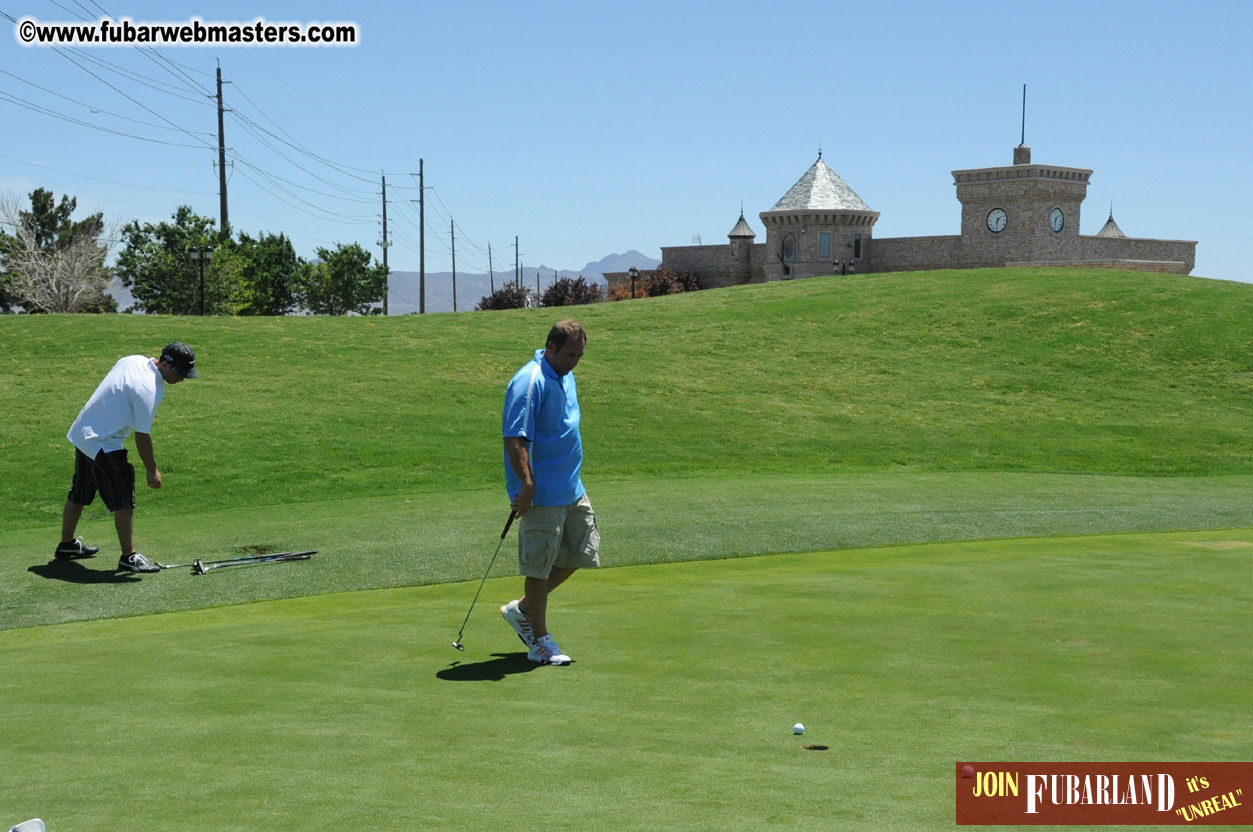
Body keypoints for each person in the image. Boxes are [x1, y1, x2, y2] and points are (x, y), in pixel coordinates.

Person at [498, 320, 600, 665]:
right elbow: (515, 438)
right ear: (551, 347)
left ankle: (523, 609)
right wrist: (526, 484)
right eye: (571, 354)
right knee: (538, 567)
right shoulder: (530, 381)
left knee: (581, 552)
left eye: (580, 355)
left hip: (572, 487)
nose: (576, 361)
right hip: (541, 495)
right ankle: (539, 641)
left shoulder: (564, 374)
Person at [55, 342, 198, 573]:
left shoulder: (132, 359)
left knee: (80, 490)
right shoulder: (150, 389)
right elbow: (142, 436)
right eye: (178, 373)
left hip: (83, 432)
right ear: (165, 363)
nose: (181, 379)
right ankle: (128, 557)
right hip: (103, 442)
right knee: (124, 498)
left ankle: (67, 545)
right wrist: (152, 470)